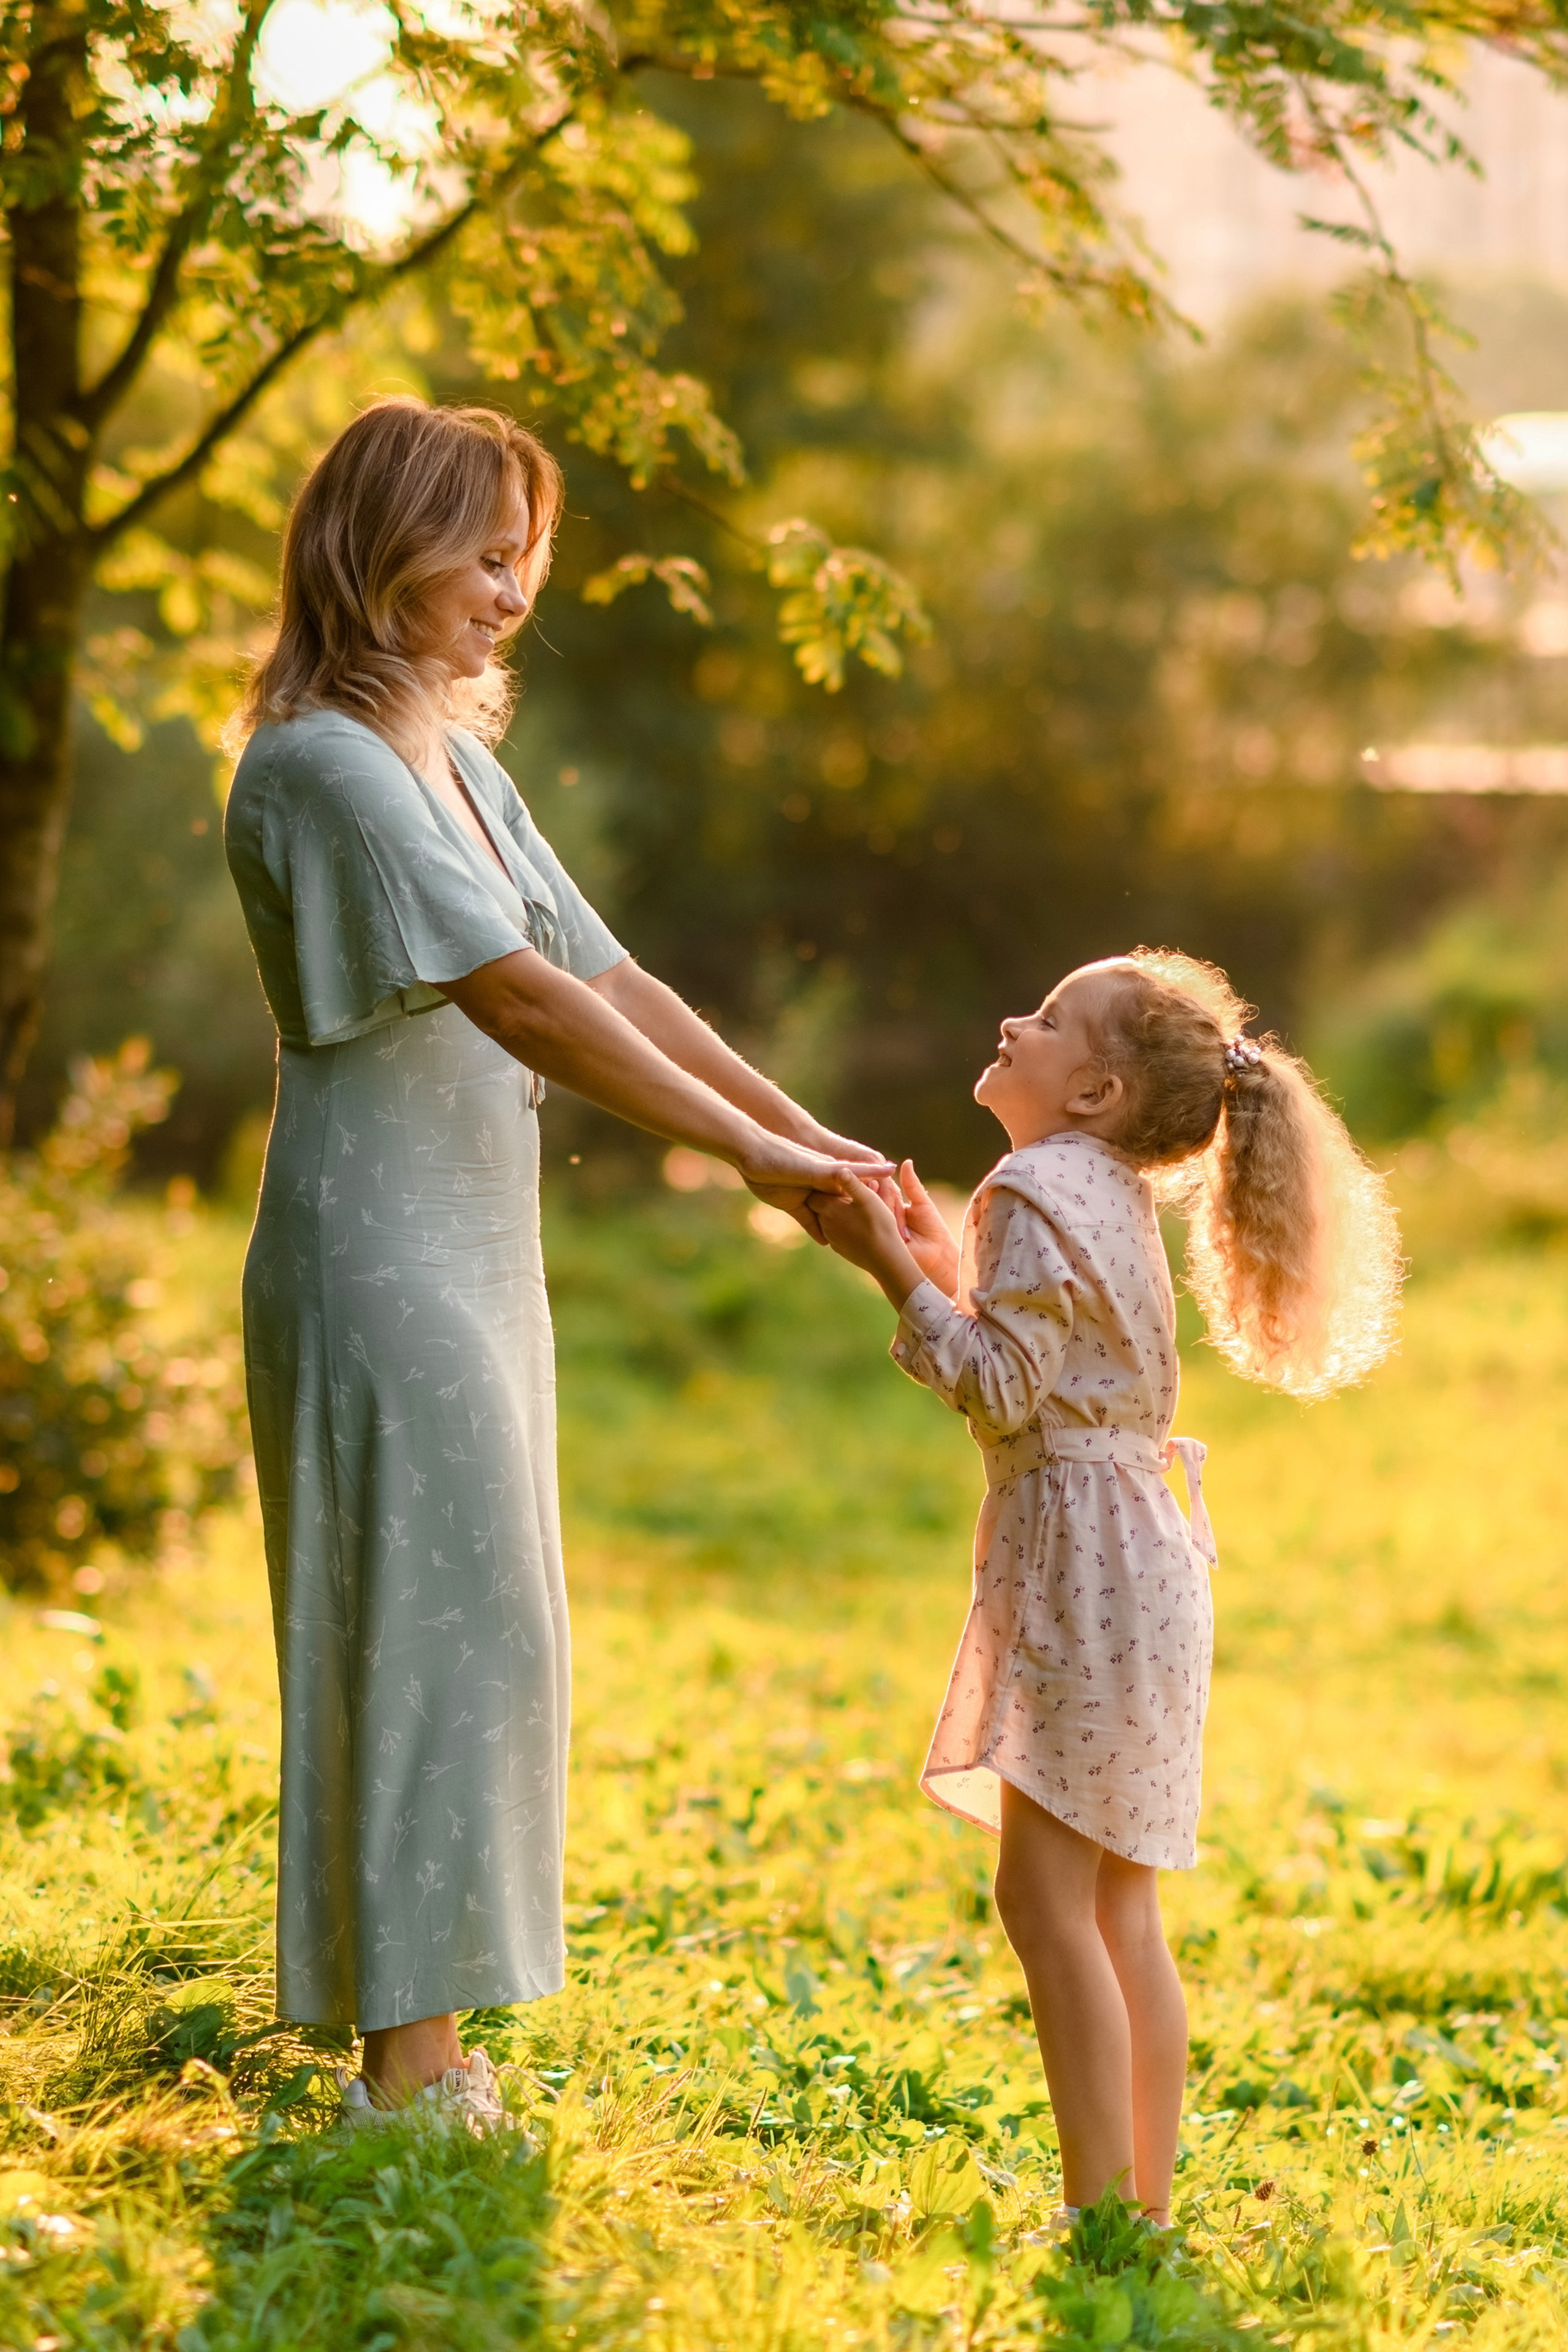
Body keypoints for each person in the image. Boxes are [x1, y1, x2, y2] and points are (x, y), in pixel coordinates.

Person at [224, 396, 888, 2125]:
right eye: (484, 551)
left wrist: (805, 1142)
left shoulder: (452, 757)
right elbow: (508, 998)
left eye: (529, 557)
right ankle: (407, 2073)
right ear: (382, 548)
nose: (515, 590)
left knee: (493, 1628)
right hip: (375, 1252)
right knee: (424, 1631)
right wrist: (748, 1159)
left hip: (474, 1249)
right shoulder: (323, 763)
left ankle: (427, 2048)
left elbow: (604, 979)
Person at [808, 950, 1401, 2225]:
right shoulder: (1106, 1188)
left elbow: (1006, 1390)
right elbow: (1047, 1365)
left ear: (1094, 1089)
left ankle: (1097, 2211)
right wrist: (938, 1270)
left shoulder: (1028, 1185)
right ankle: (1136, 2207)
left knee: (1040, 1894)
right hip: (1143, 1552)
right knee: (1114, 1895)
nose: (1013, 1020)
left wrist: (890, 1269)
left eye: (1050, 1019)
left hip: (1079, 1556)